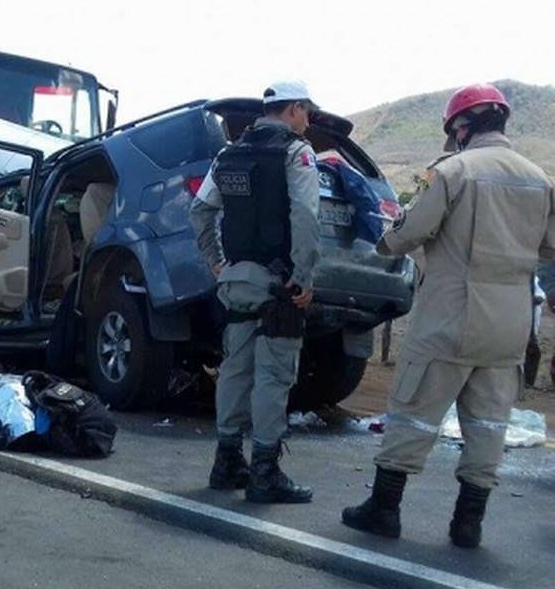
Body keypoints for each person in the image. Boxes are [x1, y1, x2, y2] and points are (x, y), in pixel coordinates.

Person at [341, 83, 555, 548]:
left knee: (414, 412)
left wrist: (384, 238)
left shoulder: (451, 172)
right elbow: (550, 247)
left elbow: (406, 234)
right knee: (488, 423)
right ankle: (467, 524)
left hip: (451, 317)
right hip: (510, 325)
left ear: (462, 126)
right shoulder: (539, 180)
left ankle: (383, 510)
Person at [189, 81, 321, 504]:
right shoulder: (296, 152)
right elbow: (304, 215)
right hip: (279, 283)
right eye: (307, 113)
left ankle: (226, 462)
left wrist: (216, 261)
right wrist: (303, 275)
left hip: (236, 280)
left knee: (235, 369)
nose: (309, 122)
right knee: (273, 374)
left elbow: (200, 210)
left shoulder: (229, 154)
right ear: (294, 109)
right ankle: (264, 472)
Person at [524, 273, 544, 388]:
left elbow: (540, 297)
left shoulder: (534, 279)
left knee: (532, 351)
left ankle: (528, 382)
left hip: (530, 324)